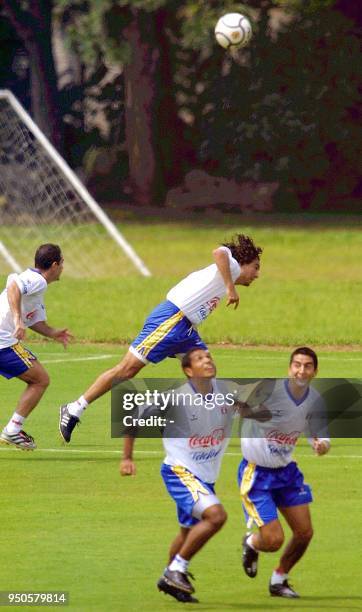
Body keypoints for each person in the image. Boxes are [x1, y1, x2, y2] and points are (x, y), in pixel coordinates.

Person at [60, 233, 262, 443]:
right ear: (244, 262)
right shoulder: (232, 266)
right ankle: (74, 409)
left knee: (205, 373)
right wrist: (230, 288)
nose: (257, 274)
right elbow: (218, 252)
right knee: (126, 370)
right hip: (170, 321)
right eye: (255, 267)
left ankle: (226, 414)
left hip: (186, 329)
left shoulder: (225, 273)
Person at [120, 348, 251, 604]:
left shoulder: (225, 394)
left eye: (209, 357)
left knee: (187, 532)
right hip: (179, 472)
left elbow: (251, 411)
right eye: (200, 359)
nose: (208, 360)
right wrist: (127, 458)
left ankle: (170, 582)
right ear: (188, 371)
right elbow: (133, 418)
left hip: (205, 478)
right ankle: (176, 569)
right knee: (216, 516)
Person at [239, 347, 330, 599]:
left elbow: (321, 434)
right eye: (297, 365)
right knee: (273, 540)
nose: (301, 370)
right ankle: (251, 543)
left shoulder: (314, 400)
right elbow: (240, 405)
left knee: (304, 533)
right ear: (289, 368)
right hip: (257, 474)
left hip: (286, 472)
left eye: (307, 366)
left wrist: (321, 445)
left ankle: (279, 579)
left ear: (315, 370)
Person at [0, 244, 72, 450]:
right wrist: (16, 320)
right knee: (40, 379)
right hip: (3, 342)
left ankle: (12, 430)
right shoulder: (37, 281)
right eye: (62, 263)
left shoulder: (35, 285)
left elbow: (33, 320)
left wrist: (52, 332)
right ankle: (13, 430)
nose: (63, 268)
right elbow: (14, 286)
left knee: (39, 379)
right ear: (55, 264)